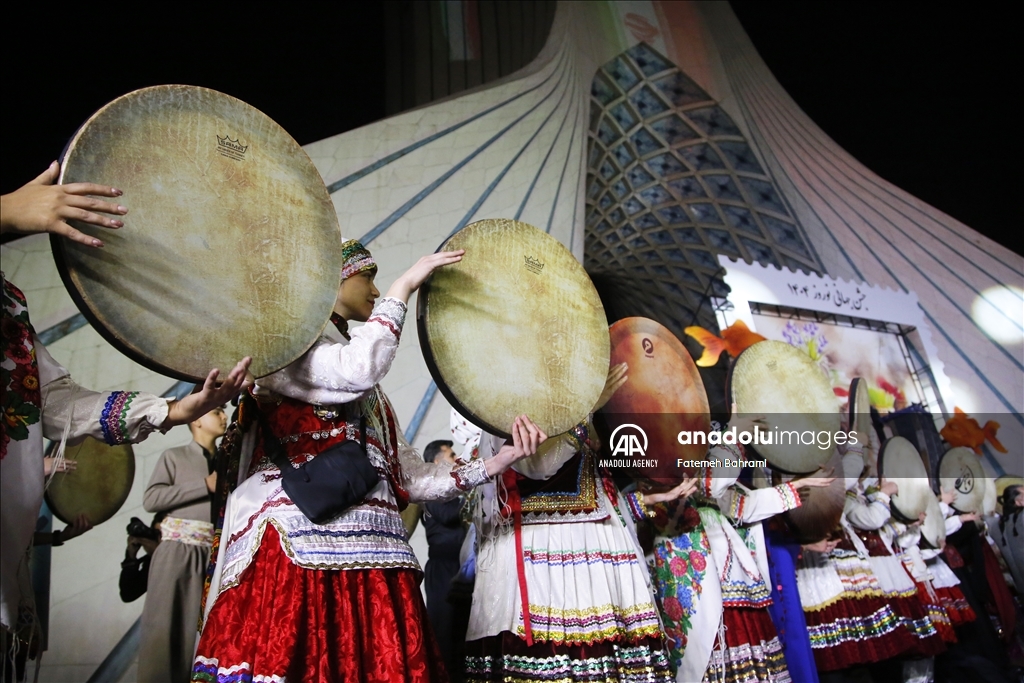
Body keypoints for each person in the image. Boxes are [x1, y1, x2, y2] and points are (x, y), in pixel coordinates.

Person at [193, 240, 545, 682]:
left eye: (381, 281)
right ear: (330, 280)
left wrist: (496, 462)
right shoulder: (281, 344)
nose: (377, 290)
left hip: (375, 555)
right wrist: (405, 285)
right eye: (369, 276)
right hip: (299, 542)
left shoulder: (366, 392)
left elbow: (411, 477)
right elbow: (357, 368)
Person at [1, 163, 250, 668]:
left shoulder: (8, 306)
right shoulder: (182, 463)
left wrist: (176, 409)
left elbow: (54, 402)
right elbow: (157, 498)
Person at [462, 363, 678, 682]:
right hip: (542, 549)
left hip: (598, 542)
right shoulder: (509, 384)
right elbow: (538, 462)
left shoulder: (576, 386)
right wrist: (585, 408)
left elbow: (606, 491)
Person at [646, 416, 835, 683]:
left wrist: (795, 487)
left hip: (732, 581)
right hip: (698, 586)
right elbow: (714, 481)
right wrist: (734, 435)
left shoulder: (705, 480)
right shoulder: (660, 472)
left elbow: (741, 504)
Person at [139, 406, 226, 683]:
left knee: (201, 637)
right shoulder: (174, 456)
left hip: (216, 558)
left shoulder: (231, 461)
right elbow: (152, 499)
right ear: (197, 419)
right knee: (166, 631)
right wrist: (204, 485)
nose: (224, 417)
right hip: (178, 553)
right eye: (217, 411)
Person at [421, 439, 468, 680]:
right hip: (443, 569)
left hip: (459, 566)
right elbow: (449, 515)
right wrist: (470, 493)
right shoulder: (432, 491)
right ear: (438, 462)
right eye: (451, 455)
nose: (456, 458)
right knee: (445, 629)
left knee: (463, 627)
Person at [120, 514, 164, 604]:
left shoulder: (188, 554)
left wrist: (159, 555)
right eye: (157, 535)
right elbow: (128, 594)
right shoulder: (151, 561)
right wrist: (130, 556)